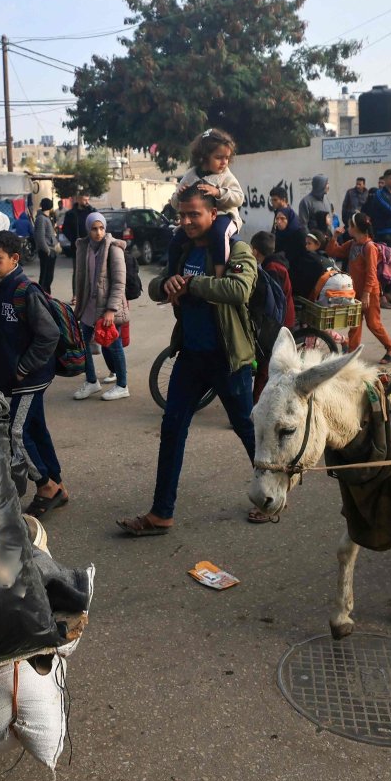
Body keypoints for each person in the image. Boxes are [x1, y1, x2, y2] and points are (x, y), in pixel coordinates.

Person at [118, 185, 258, 537]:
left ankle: (271, 495)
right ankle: (161, 513)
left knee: (246, 427)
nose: (187, 221)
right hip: (191, 356)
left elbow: (239, 290)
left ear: (214, 213)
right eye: (182, 214)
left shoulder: (236, 248)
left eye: (194, 214)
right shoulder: (182, 249)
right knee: (172, 429)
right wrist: (168, 284)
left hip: (229, 358)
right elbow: (155, 286)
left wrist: (193, 284)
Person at [0, 231, 66, 516]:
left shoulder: (24, 290)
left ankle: (44, 485)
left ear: (14, 259)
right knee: (35, 429)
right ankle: (57, 483)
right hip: (11, 377)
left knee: (15, 431)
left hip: (29, 378)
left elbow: (49, 334)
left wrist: (23, 367)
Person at [325, 212, 391, 363]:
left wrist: (366, 294)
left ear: (356, 228)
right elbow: (333, 252)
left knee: (373, 323)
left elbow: (371, 273)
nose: (347, 227)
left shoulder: (369, 247)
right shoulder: (353, 244)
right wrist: (334, 237)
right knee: (354, 323)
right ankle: (352, 354)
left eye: (349, 225)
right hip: (355, 292)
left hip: (370, 293)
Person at [71, 211, 131, 401]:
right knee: (83, 343)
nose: (98, 232)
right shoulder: (84, 246)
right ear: (88, 230)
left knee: (114, 346)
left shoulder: (113, 248)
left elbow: (119, 282)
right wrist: (77, 296)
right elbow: (80, 275)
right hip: (88, 306)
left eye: (101, 228)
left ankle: (122, 385)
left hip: (107, 309)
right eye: (94, 228)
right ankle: (91, 381)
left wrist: (111, 310)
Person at [170, 129, 244, 268]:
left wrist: (219, 192)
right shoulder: (190, 175)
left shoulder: (226, 175)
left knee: (218, 234)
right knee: (176, 240)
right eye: (219, 157)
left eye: (227, 158)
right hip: (197, 222)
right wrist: (179, 196)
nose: (224, 162)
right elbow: (175, 204)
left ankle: (219, 273)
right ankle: (172, 275)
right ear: (203, 157)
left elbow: (239, 198)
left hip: (224, 217)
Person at [249, 231, 296, 402]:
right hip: (281, 317)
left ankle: (254, 406)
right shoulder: (274, 263)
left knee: (264, 362)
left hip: (278, 321)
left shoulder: (272, 268)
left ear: (255, 251)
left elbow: (271, 300)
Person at [364, 169, 391, 308]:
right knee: (383, 267)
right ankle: (381, 297)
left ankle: (389, 293)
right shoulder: (379, 194)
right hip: (384, 234)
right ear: (386, 180)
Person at [31, 197, 61, 294]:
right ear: (51, 207)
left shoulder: (45, 218)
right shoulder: (41, 219)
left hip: (51, 249)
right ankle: (42, 294)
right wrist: (46, 249)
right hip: (47, 250)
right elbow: (40, 236)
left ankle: (46, 294)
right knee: (45, 276)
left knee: (49, 275)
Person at [298, 174, 334, 240]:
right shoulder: (306, 202)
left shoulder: (326, 199)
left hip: (328, 240)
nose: (328, 186)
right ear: (320, 185)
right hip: (316, 242)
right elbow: (303, 225)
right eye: (326, 184)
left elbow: (330, 219)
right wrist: (311, 241)